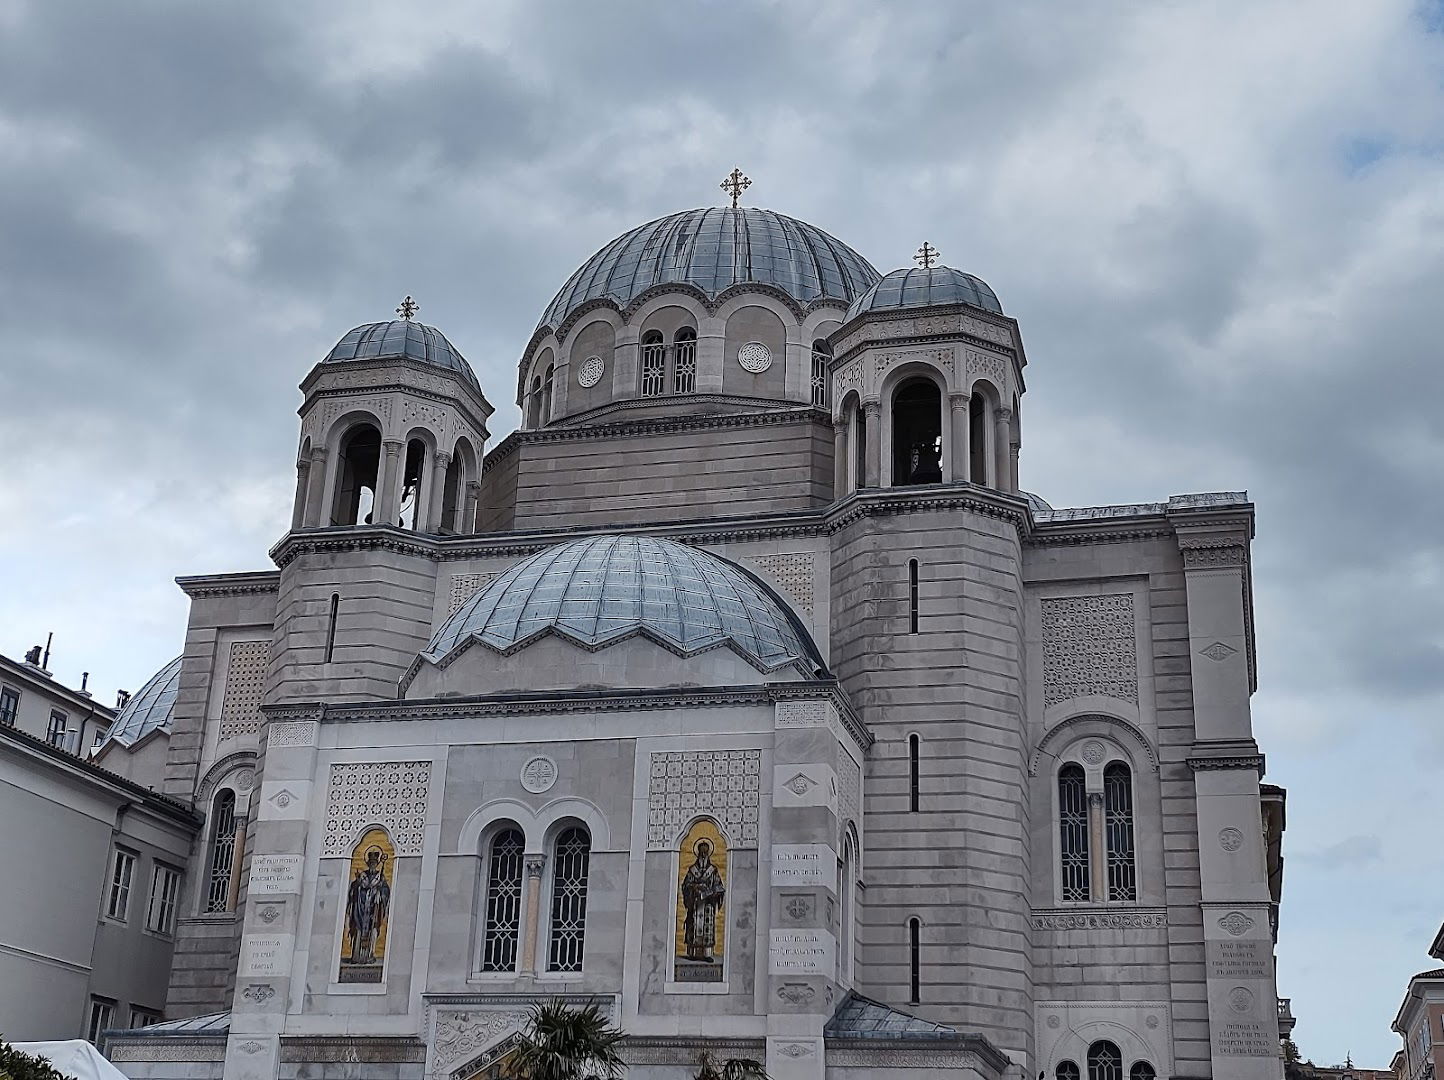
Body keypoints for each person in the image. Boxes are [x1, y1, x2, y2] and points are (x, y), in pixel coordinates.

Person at [345, 846, 391, 965]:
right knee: (358, 931)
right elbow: (354, 889)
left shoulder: (380, 877)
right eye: (371, 863)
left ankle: (369, 955)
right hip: (360, 908)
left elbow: (386, 891)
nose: (373, 865)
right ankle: (356, 956)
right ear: (368, 863)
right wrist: (358, 885)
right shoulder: (363, 875)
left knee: (373, 930)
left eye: (375, 863)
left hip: (373, 909)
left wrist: (381, 892)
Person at [681, 839, 725, 962]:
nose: (704, 854)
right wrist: (693, 887)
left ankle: (706, 954)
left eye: (706, 852)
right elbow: (685, 885)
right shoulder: (692, 870)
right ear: (698, 853)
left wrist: (714, 891)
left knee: (707, 927)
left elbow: (719, 885)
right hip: (695, 902)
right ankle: (693, 953)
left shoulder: (713, 870)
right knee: (693, 926)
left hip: (707, 904)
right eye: (702, 852)